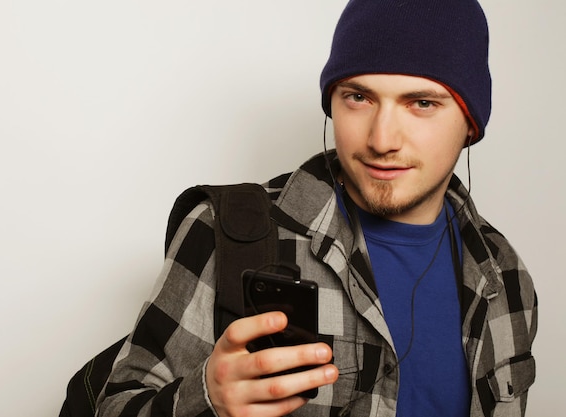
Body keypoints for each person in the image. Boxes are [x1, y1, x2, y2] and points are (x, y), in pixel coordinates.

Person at [95, 0, 537, 416]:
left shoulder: (505, 275)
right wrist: (208, 396)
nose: (382, 140)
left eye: (422, 103)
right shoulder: (226, 233)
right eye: (358, 97)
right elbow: (114, 405)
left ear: (471, 123)